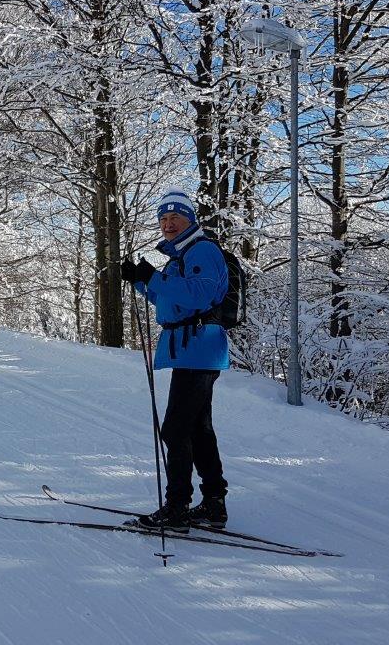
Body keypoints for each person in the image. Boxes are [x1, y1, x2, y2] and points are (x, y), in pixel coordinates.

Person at [120, 189, 230, 530]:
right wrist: (142, 282)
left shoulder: (202, 251)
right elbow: (171, 302)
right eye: (163, 219)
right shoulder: (180, 256)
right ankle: (213, 504)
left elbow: (200, 292)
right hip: (192, 347)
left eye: (175, 218)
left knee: (175, 429)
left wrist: (153, 277)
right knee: (198, 429)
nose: (167, 224)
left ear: (189, 220)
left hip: (199, 346)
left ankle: (177, 507)